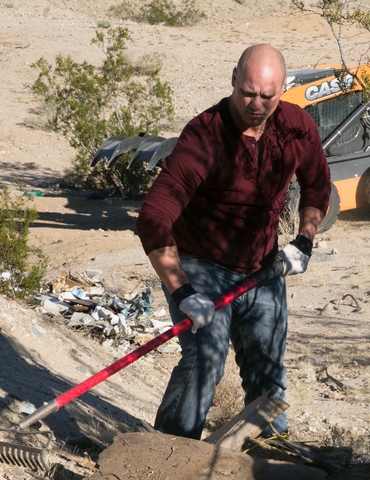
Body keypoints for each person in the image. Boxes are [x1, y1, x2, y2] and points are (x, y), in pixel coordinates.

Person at [135, 43, 332, 441]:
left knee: (267, 369)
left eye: (268, 96)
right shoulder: (204, 136)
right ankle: (166, 456)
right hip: (200, 267)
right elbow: (154, 217)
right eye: (248, 93)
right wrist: (183, 292)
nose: (257, 104)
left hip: (262, 270)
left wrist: (304, 243)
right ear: (233, 80)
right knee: (205, 357)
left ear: (282, 90)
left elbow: (318, 185)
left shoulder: (296, 127)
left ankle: (270, 460)